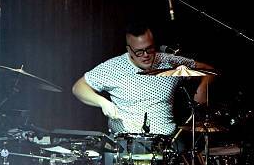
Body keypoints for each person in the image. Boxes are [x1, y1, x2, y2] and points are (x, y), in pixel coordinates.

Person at [72, 21, 214, 136]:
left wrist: (203, 88)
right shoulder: (114, 67)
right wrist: (102, 102)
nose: (145, 55)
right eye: (139, 51)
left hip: (166, 146)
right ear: (129, 50)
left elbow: (208, 70)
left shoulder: (170, 62)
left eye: (149, 49)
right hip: (126, 148)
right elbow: (78, 87)